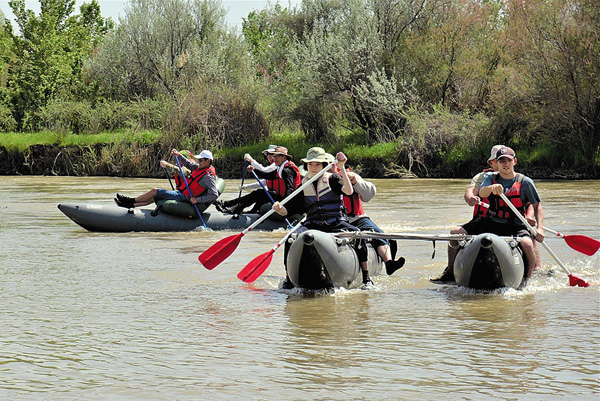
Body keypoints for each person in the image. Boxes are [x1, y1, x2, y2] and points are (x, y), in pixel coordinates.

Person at [434, 146, 544, 283]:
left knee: (528, 244)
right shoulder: (489, 178)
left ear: (514, 161)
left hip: (514, 224)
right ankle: (450, 272)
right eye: (502, 161)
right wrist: (492, 188)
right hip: (491, 221)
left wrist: (540, 228)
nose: (505, 164)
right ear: (496, 164)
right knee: (455, 232)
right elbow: (482, 192)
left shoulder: (525, 182)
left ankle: (527, 279)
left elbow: (537, 206)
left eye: (508, 161)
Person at [272, 147, 373, 288]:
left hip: (335, 222)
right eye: (310, 164)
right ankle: (289, 279)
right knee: (290, 239)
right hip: (313, 223)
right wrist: (278, 208)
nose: (313, 167)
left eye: (317, 164)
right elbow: (286, 211)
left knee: (358, 235)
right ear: (306, 166)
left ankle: (366, 278)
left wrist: (341, 168)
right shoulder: (303, 185)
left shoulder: (332, 179)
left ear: (323, 166)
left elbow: (349, 191)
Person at [329, 161, 405, 275]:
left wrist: (355, 181)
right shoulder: (314, 181)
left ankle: (389, 262)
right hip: (331, 220)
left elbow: (369, 195)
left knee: (378, 234)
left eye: (331, 164)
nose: (329, 168)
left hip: (356, 219)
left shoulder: (348, 176)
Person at [114, 149, 219, 209]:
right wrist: (178, 155)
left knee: (155, 191)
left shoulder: (208, 177)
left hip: (185, 197)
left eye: (201, 160)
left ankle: (129, 200)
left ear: (208, 161)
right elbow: (188, 164)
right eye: (199, 159)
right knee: (155, 197)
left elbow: (214, 195)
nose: (199, 161)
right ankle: (131, 205)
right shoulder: (200, 168)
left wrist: (197, 200)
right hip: (181, 193)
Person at [215, 146, 301, 215]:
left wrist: (284, 206)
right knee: (260, 194)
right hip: (281, 197)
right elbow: (268, 176)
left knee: (259, 193)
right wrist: (254, 170)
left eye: (278, 156)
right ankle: (235, 207)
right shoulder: (281, 167)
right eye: (274, 156)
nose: (275, 159)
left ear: (284, 157)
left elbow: (290, 189)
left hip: (287, 201)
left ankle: (231, 207)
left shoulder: (287, 170)